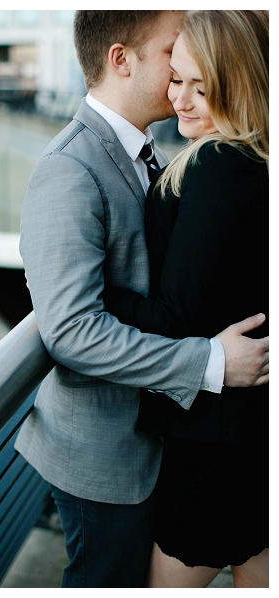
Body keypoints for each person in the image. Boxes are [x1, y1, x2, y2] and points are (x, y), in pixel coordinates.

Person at [16, 10, 269, 587]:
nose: (178, 83)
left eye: (195, 79)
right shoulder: (68, 168)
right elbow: (72, 328)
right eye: (169, 59)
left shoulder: (162, 150)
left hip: (161, 441)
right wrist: (208, 361)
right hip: (106, 458)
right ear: (121, 59)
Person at [101, 11, 268, 587]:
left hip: (215, 442)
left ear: (241, 81)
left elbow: (175, 318)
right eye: (177, 79)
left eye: (204, 86)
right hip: (247, 428)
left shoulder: (220, 165)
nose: (183, 100)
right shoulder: (252, 158)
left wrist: (93, 297)